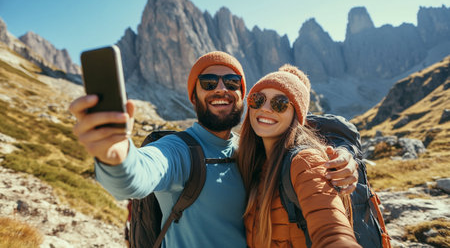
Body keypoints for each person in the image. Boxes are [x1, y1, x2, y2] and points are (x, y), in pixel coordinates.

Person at [68, 51, 358, 247]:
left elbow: (311, 142)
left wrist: (346, 156)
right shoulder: (179, 150)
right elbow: (137, 176)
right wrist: (115, 156)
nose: (221, 89)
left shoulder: (250, 153)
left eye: (232, 82)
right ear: (193, 98)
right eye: (208, 82)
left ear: (242, 97)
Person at [237, 64, 361, 247]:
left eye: (280, 104)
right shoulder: (254, 163)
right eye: (257, 99)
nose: (265, 109)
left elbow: (332, 234)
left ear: (297, 115)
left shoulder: (305, 161)